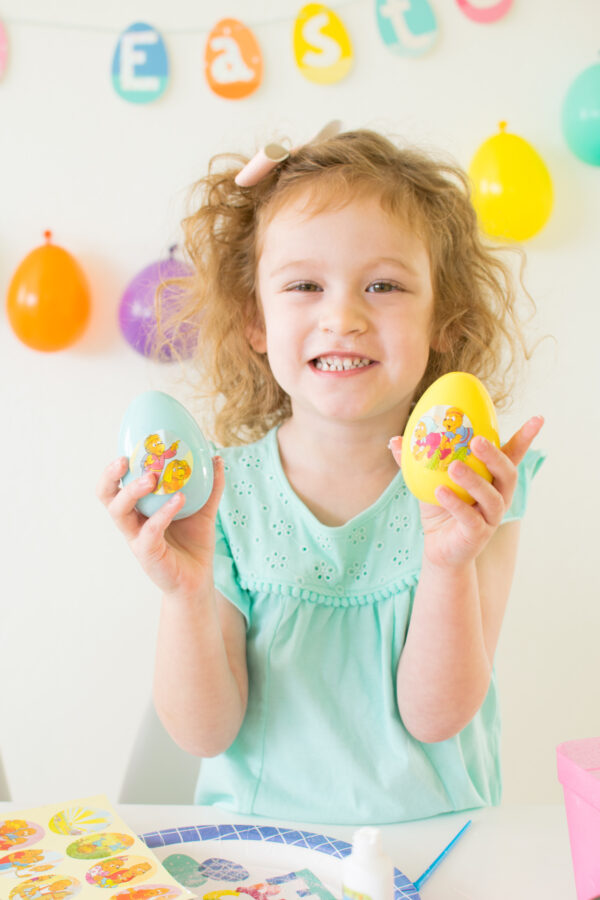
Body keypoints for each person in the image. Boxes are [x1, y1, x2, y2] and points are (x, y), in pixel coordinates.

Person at [98, 125, 545, 825]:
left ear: (443, 321)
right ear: (256, 320)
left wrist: (449, 563)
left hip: (440, 849)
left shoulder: (475, 490)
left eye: (385, 285)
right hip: (263, 855)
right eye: (305, 284)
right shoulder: (220, 496)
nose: (343, 316)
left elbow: (437, 719)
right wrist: (185, 594)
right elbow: (203, 734)